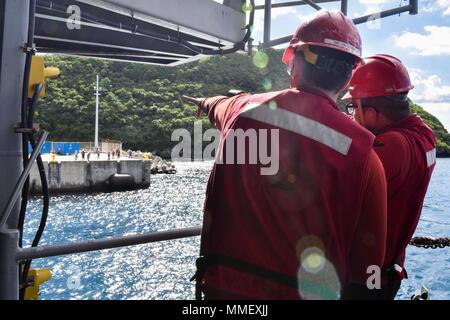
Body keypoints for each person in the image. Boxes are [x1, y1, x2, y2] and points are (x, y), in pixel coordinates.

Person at [184, 10, 387, 300]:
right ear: (348, 76)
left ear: (293, 61)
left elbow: (219, 104)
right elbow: (369, 272)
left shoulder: (240, 110)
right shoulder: (366, 157)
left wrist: (204, 101)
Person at [341, 54, 436, 299]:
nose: (351, 115)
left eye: (353, 107)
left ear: (372, 112)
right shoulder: (424, 135)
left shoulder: (391, 147)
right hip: (388, 272)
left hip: (364, 279)